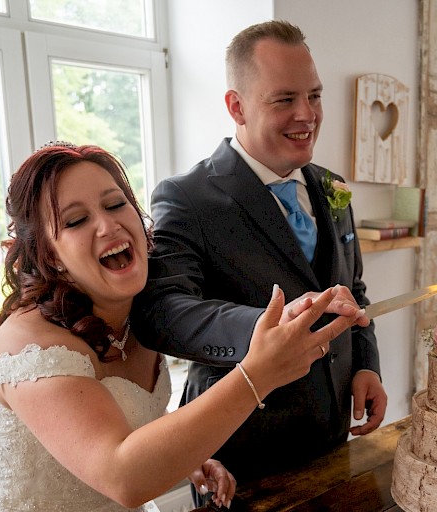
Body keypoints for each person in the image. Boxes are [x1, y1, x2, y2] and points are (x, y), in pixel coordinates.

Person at [0, 143, 354, 512]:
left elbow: (114, 419)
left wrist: (185, 457)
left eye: (115, 204)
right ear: (50, 255)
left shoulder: (137, 316)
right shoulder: (29, 347)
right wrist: (257, 376)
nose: (107, 225)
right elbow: (123, 475)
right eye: (76, 220)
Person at [132, 20, 388, 481]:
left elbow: (354, 290)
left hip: (333, 438)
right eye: (285, 99)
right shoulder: (187, 197)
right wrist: (268, 326)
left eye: (314, 95)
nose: (307, 114)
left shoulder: (331, 186)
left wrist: (366, 366)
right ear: (237, 106)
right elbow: (161, 311)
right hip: (240, 458)